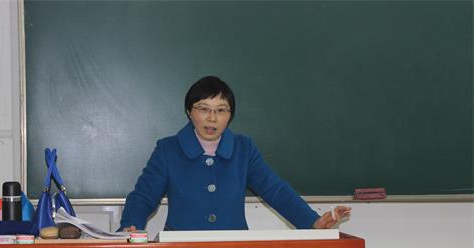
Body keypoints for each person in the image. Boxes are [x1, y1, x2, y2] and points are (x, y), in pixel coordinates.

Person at [119, 76, 350, 232]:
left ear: (230, 115)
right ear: (189, 111)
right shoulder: (168, 149)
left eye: (221, 110)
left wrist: (312, 221)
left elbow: (275, 190)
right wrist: (131, 227)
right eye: (203, 109)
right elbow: (143, 196)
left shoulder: (243, 149)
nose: (212, 118)